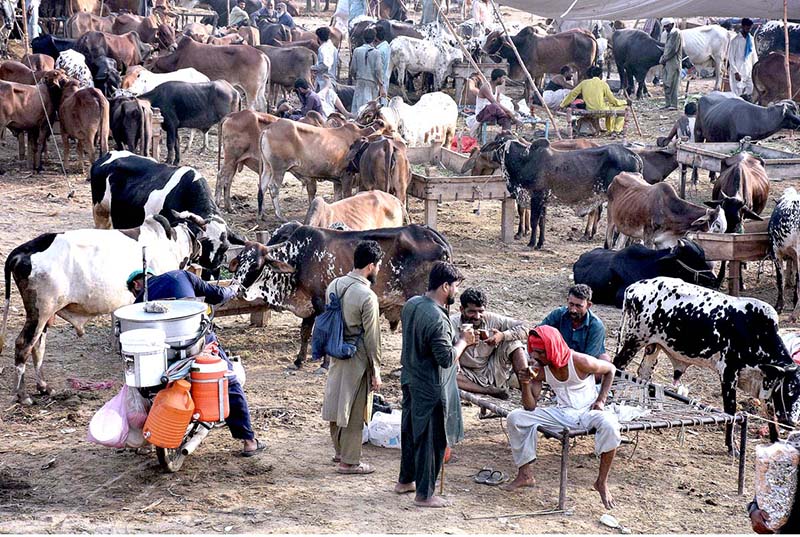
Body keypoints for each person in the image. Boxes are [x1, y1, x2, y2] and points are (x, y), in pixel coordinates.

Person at [126, 269, 266, 457]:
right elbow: (218, 295)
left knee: (143, 388)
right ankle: (249, 441)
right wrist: (233, 288)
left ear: (136, 285)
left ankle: (145, 441)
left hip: (159, 355)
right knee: (227, 379)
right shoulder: (182, 275)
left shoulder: (140, 299)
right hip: (194, 344)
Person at [503, 325, 620, 509]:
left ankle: (601, 482)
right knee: (516, 417)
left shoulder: (579, 361)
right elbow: (530, 406)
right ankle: (526, 474)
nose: (535, 357)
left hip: (589, 411)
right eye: (534, 352)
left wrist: (601, 400)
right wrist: (525, 382)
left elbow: (610, 369)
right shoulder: (540, 369)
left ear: (552, 348)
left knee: (611, 426)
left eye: (541, 353)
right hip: (563, 413)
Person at [395, 262, 476, 508]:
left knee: (410, 433)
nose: (455, 292)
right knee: (430, 440)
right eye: (454, 287)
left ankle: (405, 481)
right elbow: (446, 358)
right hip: (431, 388)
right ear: (444, 286)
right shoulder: (437, 318)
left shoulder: (412, 304)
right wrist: (463, 341)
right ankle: (425, 494)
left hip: (410, 380)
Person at [321, 241, 384, 475]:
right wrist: (375, 370)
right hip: (356, 356)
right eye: (378, 266)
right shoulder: (367, 296)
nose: (378, 270)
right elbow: (373, 338)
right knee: (355, 409)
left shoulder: (334, 285)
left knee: (337, 401)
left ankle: (339, 452)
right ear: (370, 266)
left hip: (336, 350)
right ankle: (349, 462)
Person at [450, 288, 529, 399]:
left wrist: (502, 336)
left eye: (481, 311)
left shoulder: (492, 319)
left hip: (492, 369)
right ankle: (488, 391)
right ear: (462, 309)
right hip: (465, 374)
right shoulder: (451, 323)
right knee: (444, 369)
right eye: (472, 312)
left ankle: (527, 391)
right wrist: (463, 343)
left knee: (514, 343)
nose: (477, 316)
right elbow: (445, 353)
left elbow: (525, 328)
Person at [540, 284, 610, 365]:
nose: (573, 310)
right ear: (567, 300)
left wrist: (571, 355)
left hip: (581, 365)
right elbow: (538, 333)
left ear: (588, 305)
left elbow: (589, 358)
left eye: (578, 306)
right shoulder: (558, 314)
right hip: (556, 359)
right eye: (571, 304)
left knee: (605, 359)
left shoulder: (596, 326)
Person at [559, 66, 630, 136]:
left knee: (609, 106)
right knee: (622, 108)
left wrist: (562, 104)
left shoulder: (584, 83)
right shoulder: (603, 84)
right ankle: (616, 130)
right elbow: (613, 101)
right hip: (602, 110)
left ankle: (610, 130)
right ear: (600, 75)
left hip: (589, 109)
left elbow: (572, 94)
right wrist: (625, 102)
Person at [350, 27, 385, 116]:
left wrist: (355, 76)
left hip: (360, 82)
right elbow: (378, 70)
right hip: (372, 83)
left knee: (358, 107)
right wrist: (381, 86)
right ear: (374, 38)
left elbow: (353, 68)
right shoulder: (376, 53)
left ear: (363, 38)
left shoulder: (357, 51)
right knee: (370, 108)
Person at [727, 18, 758, 97]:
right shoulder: (735, 40)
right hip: (738, 70)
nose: (748, 30)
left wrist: (755, 68)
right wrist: (735, 72)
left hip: (749, 70)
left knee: (750, 90)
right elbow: (730, 57)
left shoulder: (750, 39)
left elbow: (753, 55)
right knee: (738, 93)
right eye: (747, 28)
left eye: (750, 28)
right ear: (743, 27)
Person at [659, 18, 682, 110]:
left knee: (673, 84)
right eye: (664, 27)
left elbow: (673, 49)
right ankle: (668, 103)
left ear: (672, 24)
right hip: (667, 62)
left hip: (673, 62)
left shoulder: (676, 33)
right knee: (666, 83)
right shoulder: (669, 34)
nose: (666, 28)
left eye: (667, 26)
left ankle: (673, 104)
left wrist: (664, 58)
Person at [374, 25, 391, 102]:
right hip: (385, 77)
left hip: (379, 80)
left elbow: (378, 69)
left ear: (376, 38)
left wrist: (380, 85)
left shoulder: (379, 51)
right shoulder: (386, 45)